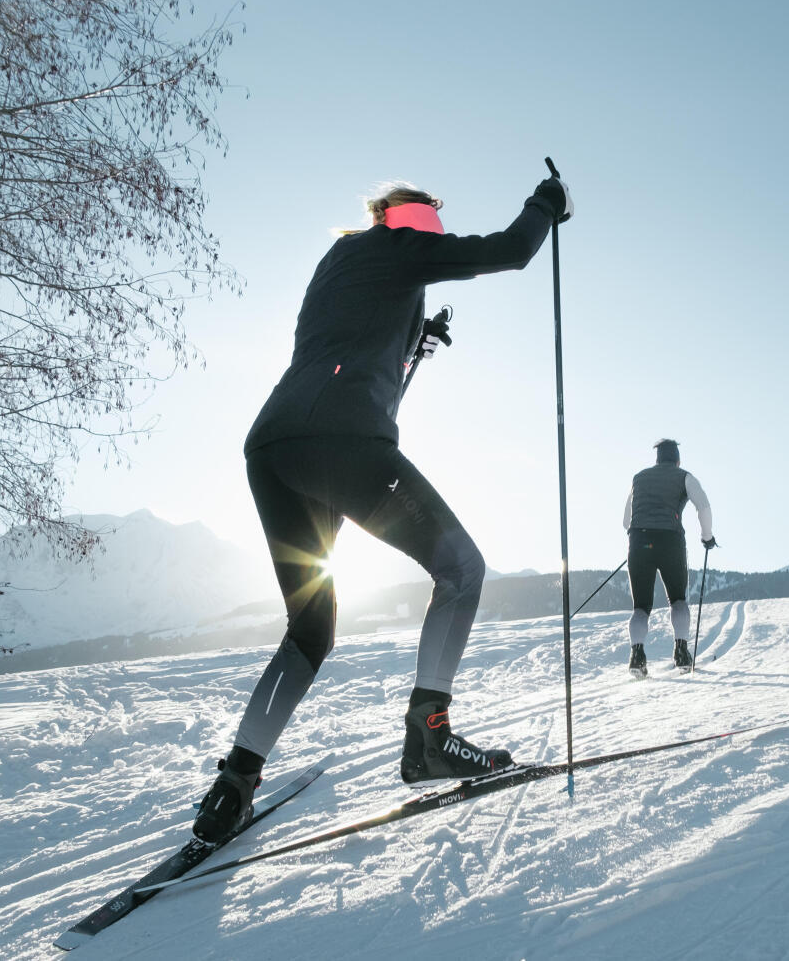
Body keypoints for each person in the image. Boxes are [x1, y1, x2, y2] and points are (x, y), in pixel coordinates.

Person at [193, 175, 572, 844]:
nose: (432, 224)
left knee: (311, 629)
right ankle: (430, 740)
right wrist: (547, 203)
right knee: (462, 568)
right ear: (399, 216)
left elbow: (355, 358)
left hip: (276, 447)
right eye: (426, 215)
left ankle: (236, 780)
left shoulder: (342, 264)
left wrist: (412, 346)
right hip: (341, 442)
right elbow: (511, 250)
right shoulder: (397, 246)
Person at [621, 438, 715, 675]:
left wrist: (642, 538)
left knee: (640, 606)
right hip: (670, 541)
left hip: (639, 540)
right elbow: (703, 506)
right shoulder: (684, 476)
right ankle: (681, 652)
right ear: (677, 459)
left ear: (657, 458)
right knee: (678, 599)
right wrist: (707, 537)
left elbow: (626, 521)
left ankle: (637, 656)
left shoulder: (638, 478)